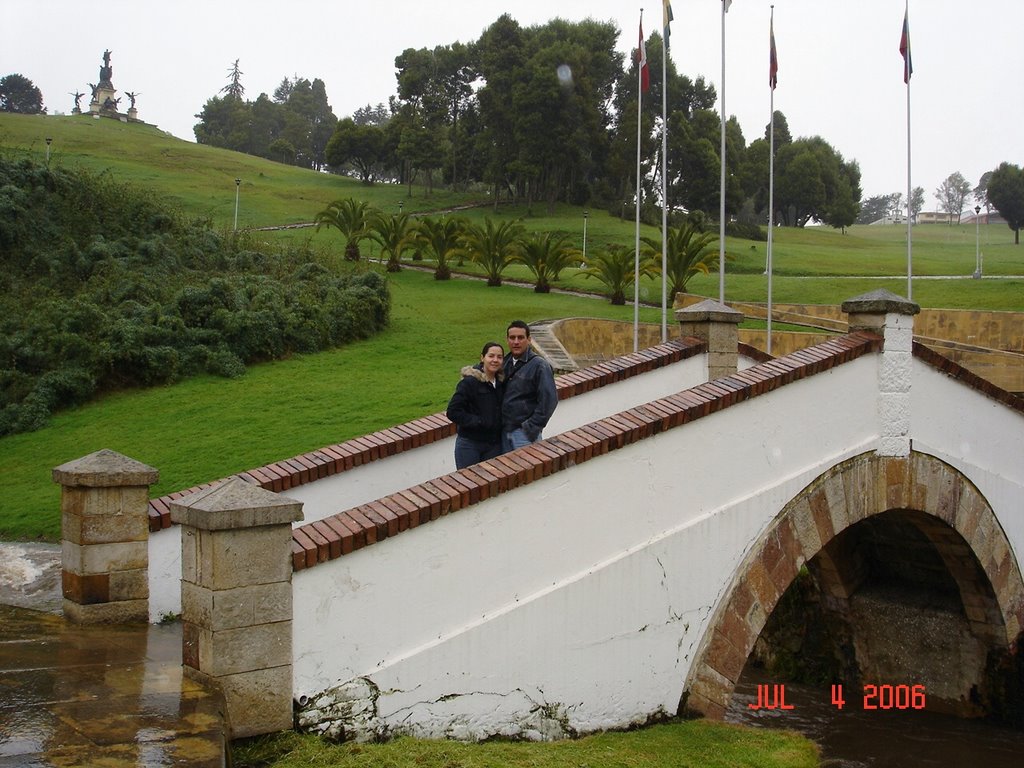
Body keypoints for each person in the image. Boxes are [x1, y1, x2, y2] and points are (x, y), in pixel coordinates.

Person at [446, 341, 505, 469]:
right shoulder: (469, 383)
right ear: (482, 358)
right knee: (469, 485)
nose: (495, 360)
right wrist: (478, 422)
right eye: (491, 356)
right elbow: (453, 411)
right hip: (470, 445)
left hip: (494, 445)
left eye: (499, 357)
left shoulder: (502, 383)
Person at [501, 320, 557, 452]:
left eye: (520, 337)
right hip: (503, 432)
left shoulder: (539, 365)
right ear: (507, 340)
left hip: (524, 435)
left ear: (529, 339)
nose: (516, 342)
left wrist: (530, 427)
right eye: (512, 338)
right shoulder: (504, 363)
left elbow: (549, 400)